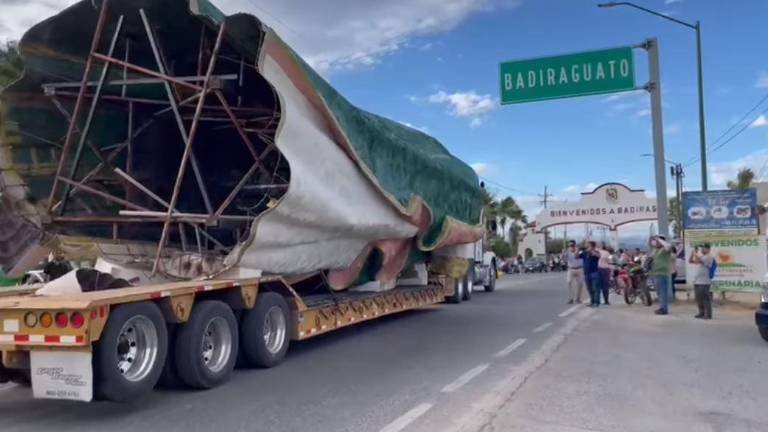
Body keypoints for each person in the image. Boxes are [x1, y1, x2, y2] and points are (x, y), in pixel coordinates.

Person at [689, 243, 715, 319]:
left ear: (708, 249)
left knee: (705, 298)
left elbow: (699, 260)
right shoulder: (702, 256)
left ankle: (708, 314)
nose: (702, 250)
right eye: (701, 248)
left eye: (703, 248)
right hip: (697, 280)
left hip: (704, 281)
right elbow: (690, 261)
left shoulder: (709, 257)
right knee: (698, 298)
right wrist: (692, 253)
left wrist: (695, 254)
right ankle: (701, 312)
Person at [649, 235, 673, 315]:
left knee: (663, 292)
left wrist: (659, 239)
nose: (656, 243)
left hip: (663, 273)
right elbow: (650, 247)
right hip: (655, 273)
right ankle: (662, 307)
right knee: (659, 292)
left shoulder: (665, 250)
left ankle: (664, 309)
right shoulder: (655, 250)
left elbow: (669, 246)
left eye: (657, 241)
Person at [580, 241, 601, 307]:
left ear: (593, 246)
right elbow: (576, 256)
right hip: (586, 273)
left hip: (594, 273)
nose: (586, 246)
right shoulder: (584, 253)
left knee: (595, 288)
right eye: (587, 245)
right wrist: (577, 250)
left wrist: (592, 251)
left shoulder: (596, 252)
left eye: (588, 245)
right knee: (589, 288)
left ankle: (596, 302)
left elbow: (598, 256)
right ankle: (592, 301)